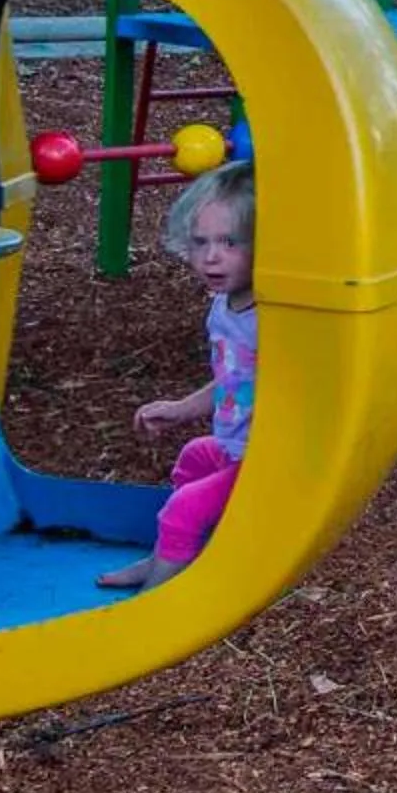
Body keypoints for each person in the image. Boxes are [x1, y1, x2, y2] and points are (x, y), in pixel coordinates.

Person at [99, 161, 258, 593]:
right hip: (232, 447)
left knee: (183, 508)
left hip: (262, 461)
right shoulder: (224, 306)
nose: (211, 256)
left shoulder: (269, 317)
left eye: (230, 242)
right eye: (200, 242)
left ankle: (156, 598)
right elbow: (235, 379)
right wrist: (182, 409)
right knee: (193, 455)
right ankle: (167, 556)